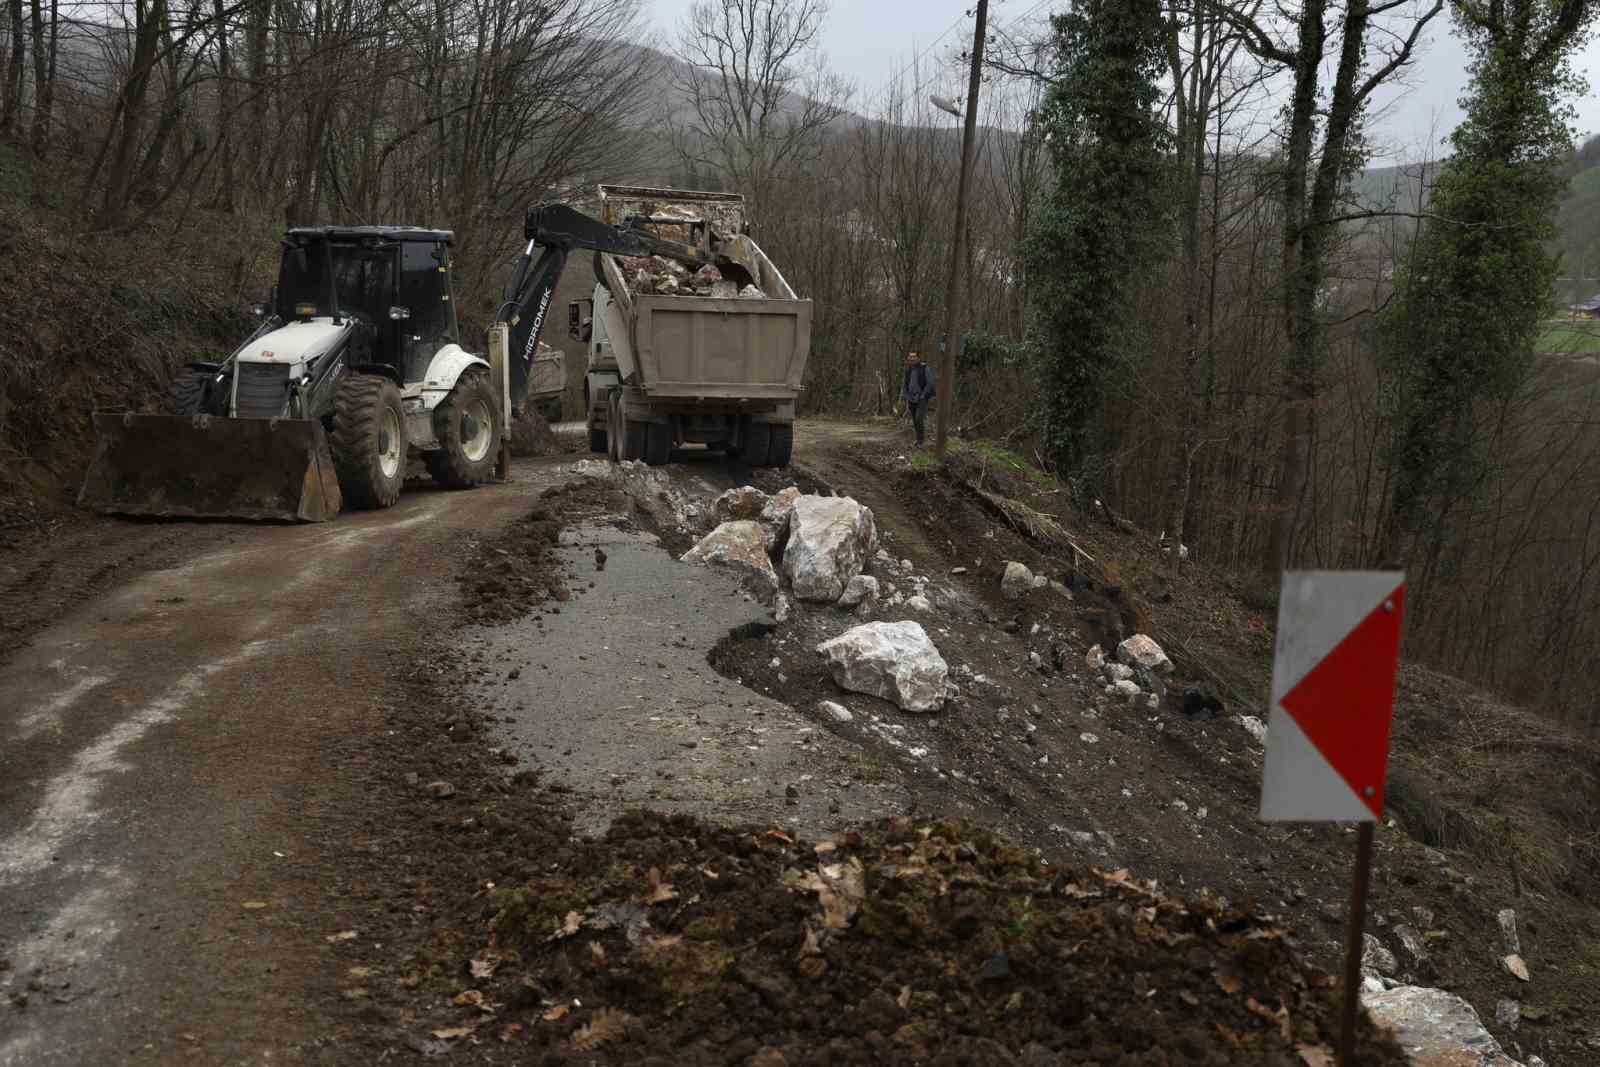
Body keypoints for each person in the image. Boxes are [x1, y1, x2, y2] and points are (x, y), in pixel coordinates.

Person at [901, 351, 935, 447]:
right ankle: (918, 440)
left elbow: (930, 383)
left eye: (914, 357)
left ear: (918, 358)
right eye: (910, 357)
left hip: (921, 398)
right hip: (911, 398)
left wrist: (923, 395)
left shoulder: (924, 368)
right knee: (915, 420)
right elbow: (905, 384)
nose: (912, 359)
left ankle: (921, 440)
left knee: (919, 418)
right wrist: (906, 395)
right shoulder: (908, 370)